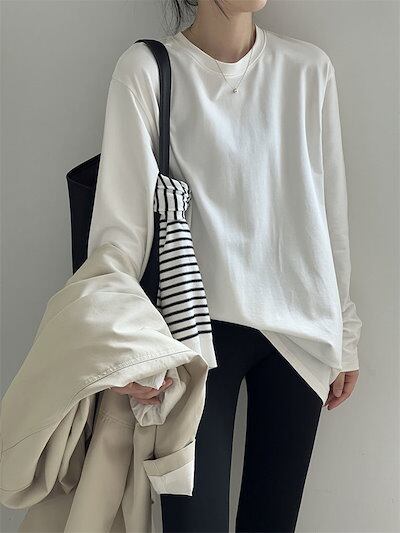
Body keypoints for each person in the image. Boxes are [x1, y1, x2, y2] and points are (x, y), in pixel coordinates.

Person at [87, 0, 363, 531]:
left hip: (301, 336)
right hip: (192, 338)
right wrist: (122, 344)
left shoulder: (308, 69)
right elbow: (119, 228)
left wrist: (345, 331)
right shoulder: (148, 69)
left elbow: (330, 213)